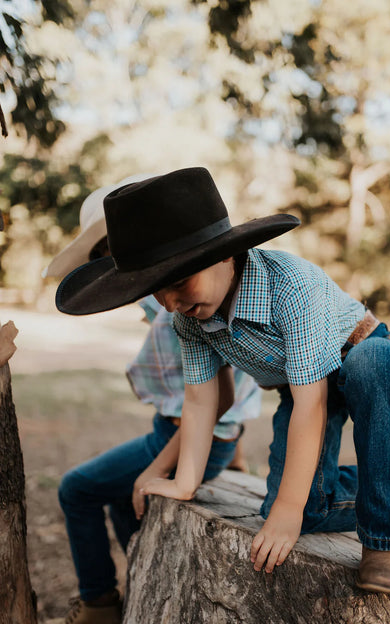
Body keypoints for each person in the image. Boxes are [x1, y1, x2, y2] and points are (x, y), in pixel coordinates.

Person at [55, 167, 390, 601]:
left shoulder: (290, 286)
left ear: (224, 254)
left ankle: (388, 542)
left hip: (358, 354)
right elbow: (203, 400)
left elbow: (312, 403)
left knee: (369, 369)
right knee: (305, 510)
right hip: (299, 387)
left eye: (177, 282)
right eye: (155, 291)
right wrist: (184, 481)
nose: (171, 302)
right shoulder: (189, 319)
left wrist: (287, 509)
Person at [45, 177, 261, 624]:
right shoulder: (168, 302)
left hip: (193, 438)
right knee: (123, 498)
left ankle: (98, 604)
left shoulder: (187, 304)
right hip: (192, 433)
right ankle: (143, 579)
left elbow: (217, 396)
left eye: (105, 257)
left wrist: (161, 466)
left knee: (77, 489)